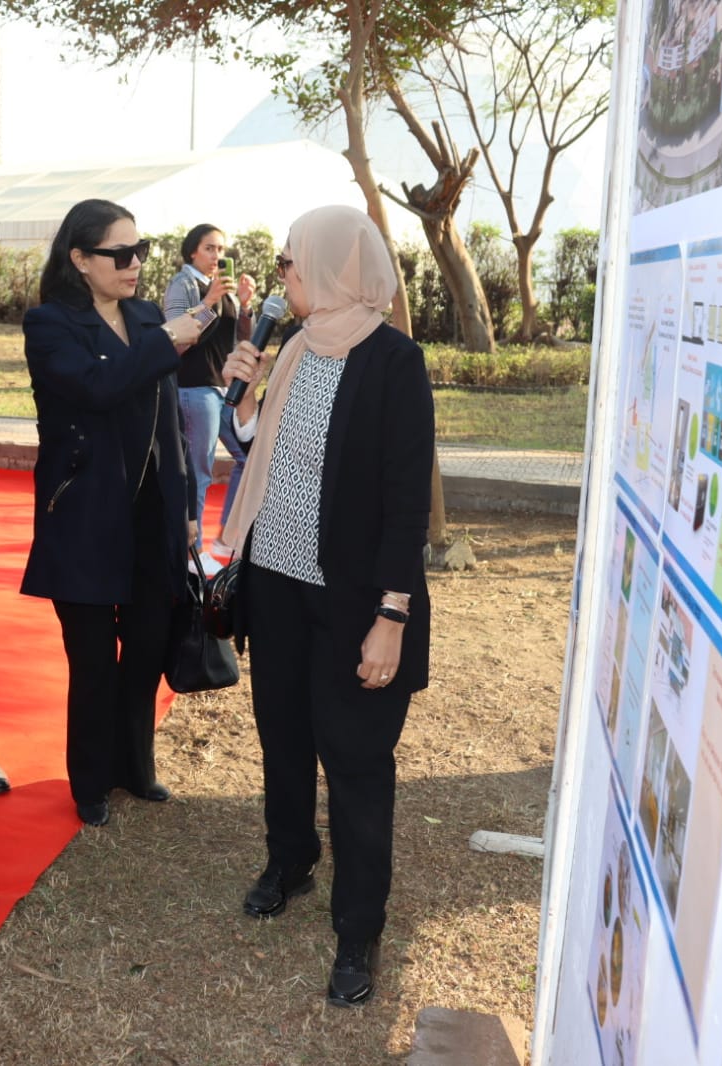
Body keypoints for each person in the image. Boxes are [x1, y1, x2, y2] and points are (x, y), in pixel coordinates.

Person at [219, 204, 434, 1008]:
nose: (281, 274)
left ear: (333, 267)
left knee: (354, 760)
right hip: (275, 581)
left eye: (290, 261)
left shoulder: (392, 361)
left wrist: (391, 617)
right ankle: (290, 859)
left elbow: (405, 506)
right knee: (281, 734)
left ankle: (358, 927)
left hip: (355, 599)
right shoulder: (295, 347)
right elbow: (255, 453)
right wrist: (240, 398)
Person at [19, 199, 211, 828]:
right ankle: (91, 779)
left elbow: (171, 424)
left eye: (141, 251)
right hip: (85, 518)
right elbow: (97, 387)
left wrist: (186, 504)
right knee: (94, 659)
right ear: (80, 259)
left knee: (149, 647)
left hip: (153, 515)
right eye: (121, 254)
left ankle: (136, 765)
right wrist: (166, 341)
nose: (135, 264)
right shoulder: (50, 324)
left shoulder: (147, 316)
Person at [162, 224, 257, 556]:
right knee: (199, 473)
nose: (217, 255)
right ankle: (193, 554)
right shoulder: (183, 284)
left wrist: (244, 305)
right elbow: (174, 339)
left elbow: (242, 338)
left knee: (249, 457)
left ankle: (228, 538)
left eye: (221, 249)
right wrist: (209, 301)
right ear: (192, 251)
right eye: (210, 248)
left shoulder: (222, 287)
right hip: (194, 388)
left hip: (223, 389)